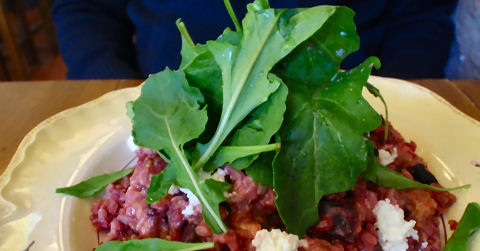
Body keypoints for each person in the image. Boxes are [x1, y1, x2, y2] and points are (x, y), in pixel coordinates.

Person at [52, 0, 458, 79]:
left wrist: (395, 102)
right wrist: (118, 96)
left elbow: (421, 14)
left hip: (347, 107)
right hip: (169, 113)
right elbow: (85, 9)